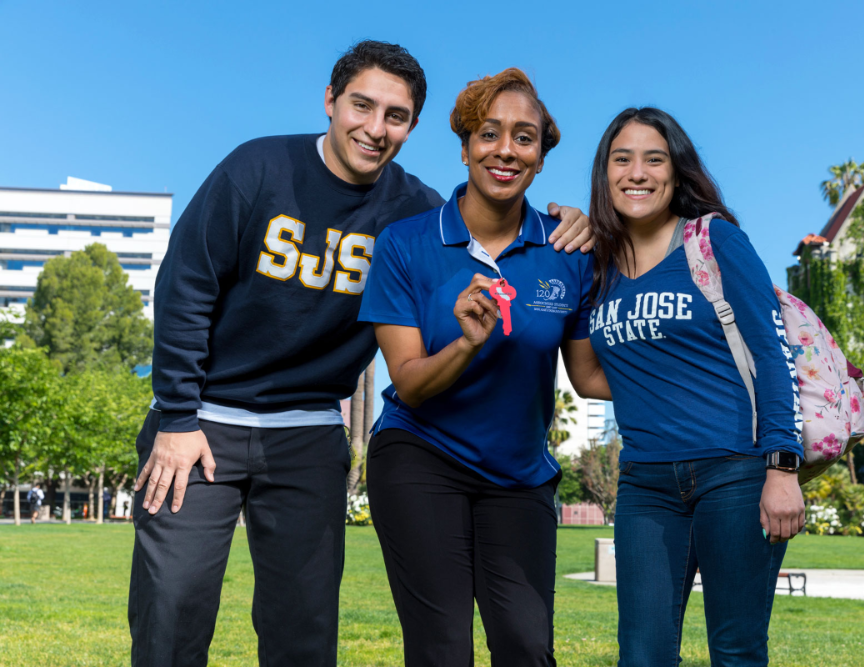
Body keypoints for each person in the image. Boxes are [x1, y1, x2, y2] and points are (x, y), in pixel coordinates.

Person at [130, 42, 592, 667]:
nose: (375, 128)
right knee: (171, 616)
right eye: (361, 106)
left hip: (307, 431)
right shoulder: (257, 168)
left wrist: (569, 220)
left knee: (303, 633)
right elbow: (186, 286)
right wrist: (178, 417)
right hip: (202, 424)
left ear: (413, 126)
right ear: (330, 100)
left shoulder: (415, 214)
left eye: (395, 116)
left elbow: (489, 214)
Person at [357, 68, 610, 667]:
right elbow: (409, 384)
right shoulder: (405, 243)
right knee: (442, 649)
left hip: (519, 474)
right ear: (466, 147)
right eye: (489, 133)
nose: (505, 150)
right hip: (420, 455)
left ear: (540, 158)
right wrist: (467, 344)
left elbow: (588, 378)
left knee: (527, 645)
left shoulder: (569, 251)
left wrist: (701, 377)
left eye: (524, 137)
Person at [585, 107, 805, 667]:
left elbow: (772, 355)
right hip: (645, 484)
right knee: (642, 655)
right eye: (622, 159)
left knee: (735, 650)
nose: (637, 173)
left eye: (654, 159)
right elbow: (590, 377)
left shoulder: (714, 241)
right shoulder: (596, 267)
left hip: (735, 472)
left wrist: (782, 468)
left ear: (676, 171)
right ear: (605, 173)